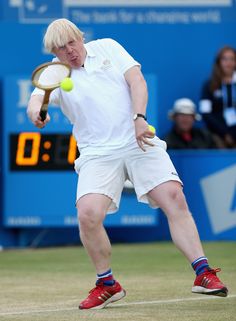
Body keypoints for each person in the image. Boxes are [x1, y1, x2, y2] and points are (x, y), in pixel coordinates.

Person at [27, 18, 228, 310]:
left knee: (174, 197)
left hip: (138, 140)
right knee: (87, 215)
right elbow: (35, 104)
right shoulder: (53, 73)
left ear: (81, 38)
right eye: (60, 48)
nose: (69, 51)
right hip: (96, 153)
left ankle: (203, 272)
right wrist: (36, 114)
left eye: (72, 42)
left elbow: (137, 81)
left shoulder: (108, 47)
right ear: (53, 53)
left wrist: (139, 118)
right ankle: (107, 284)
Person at [199, 46, 236, 148]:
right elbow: (205, 113)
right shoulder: (209, 85)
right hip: (217, 135)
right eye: (225, 59)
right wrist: (225, 133)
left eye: (232, 59)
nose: (228, 62)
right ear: (219, 62)